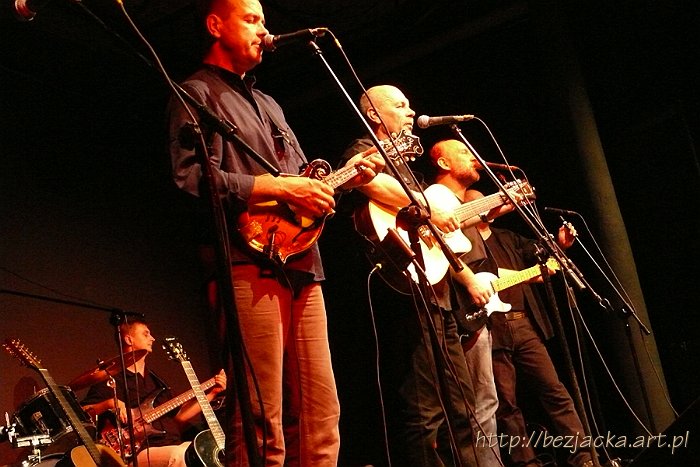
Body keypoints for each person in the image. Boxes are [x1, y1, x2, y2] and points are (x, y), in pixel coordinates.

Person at [167, 0, 384, 465]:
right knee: (260, 414)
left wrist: (345, 180)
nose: (264, 30)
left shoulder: (270, 104)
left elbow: (302, 183)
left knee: (322, 414)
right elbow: (191, 179)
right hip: (246, 261)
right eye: (251, 19)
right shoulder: (194, 93)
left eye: (264, 21)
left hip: (303, 262)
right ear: (215, 25)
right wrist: (275, 187)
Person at [338, 85, 495, 466]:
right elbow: (370, 182)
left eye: (410, 105)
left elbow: (435, 230)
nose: (411, 112)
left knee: (463, 404)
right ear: (374, 114)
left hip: (436, 291)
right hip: (404, 292)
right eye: (400, 105)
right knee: (424, 410)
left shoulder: (408, 165)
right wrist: (425, 206)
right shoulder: (362, 150)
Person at [463, 189, 595, 467]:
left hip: (523, 324)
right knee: (506, 405)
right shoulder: (464, 245)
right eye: (476, 203)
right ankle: (527, 463)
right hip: (491, 328)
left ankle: (584, 458)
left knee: (554, 390)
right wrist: (525, 276)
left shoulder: (508, 238)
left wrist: (560, 244)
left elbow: (541, 255)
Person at [429, 138, 520, 467]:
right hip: (459, 308)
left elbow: (467, 225)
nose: (474, 157)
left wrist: (496, 207)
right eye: (464, 153)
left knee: (487, 401)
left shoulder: (458, 204)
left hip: (475, 307)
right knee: (478, 403)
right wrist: (468, 280)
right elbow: (440, 247)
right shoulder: (436, 197)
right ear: (443, 164)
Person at [81, 318, 227, 467]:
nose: (152, 338)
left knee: (208, 454)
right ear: (129, 339)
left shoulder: (157, 382)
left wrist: (211, 394)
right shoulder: (112, 379)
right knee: (181, 456)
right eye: (146, 334)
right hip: (140, 451)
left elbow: (177, 419)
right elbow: (84, 413)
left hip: (172, 444)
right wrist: (110, 403)